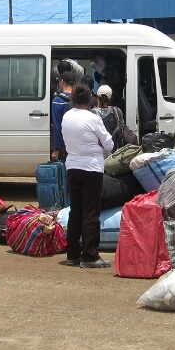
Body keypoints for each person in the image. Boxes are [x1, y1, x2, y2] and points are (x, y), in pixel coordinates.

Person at [61, 83, 115, 268]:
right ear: (90, 99)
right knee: (91, 212)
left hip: (72, 167)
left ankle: (72, 254)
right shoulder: (93, 119)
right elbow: (109, 145)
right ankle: (90, 256)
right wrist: (97, 145)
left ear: (73, 99)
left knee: (75, 211)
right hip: (92, 169)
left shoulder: (67, 116)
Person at [94, 84, 136, 149]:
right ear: (110, 98)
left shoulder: (91, 113)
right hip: (114, 150)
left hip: (96, 150)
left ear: (97, 97)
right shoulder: (117, 111)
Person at [50, 71, 75, 162]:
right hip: (78, 143)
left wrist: (56, 148)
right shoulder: (78, 99)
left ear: (62, 82)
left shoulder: (58, 100)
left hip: (64, 144)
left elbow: (57, 126)